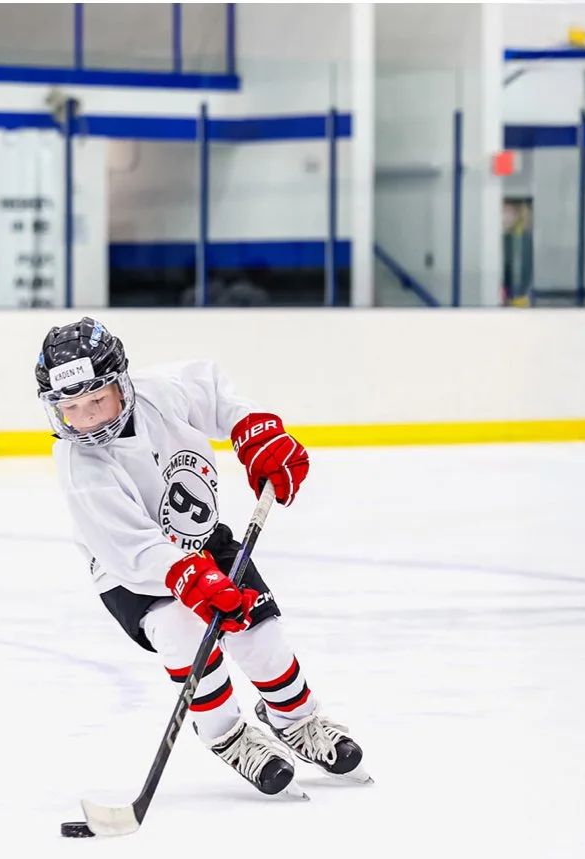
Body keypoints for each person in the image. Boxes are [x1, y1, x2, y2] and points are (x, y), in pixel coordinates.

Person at [36, 317, 371, 797]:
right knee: (183, 631)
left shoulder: (162, 393)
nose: (87, 420)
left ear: (121, 383)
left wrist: (252, 429)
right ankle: (226, 734)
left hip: (203, 542)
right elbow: (130, 549)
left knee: (263, 638)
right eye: (71, 409)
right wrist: (184, 576)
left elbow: (214, 392)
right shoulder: (81, 466)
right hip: (134, 575)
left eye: (96, 400)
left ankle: (297, 719)